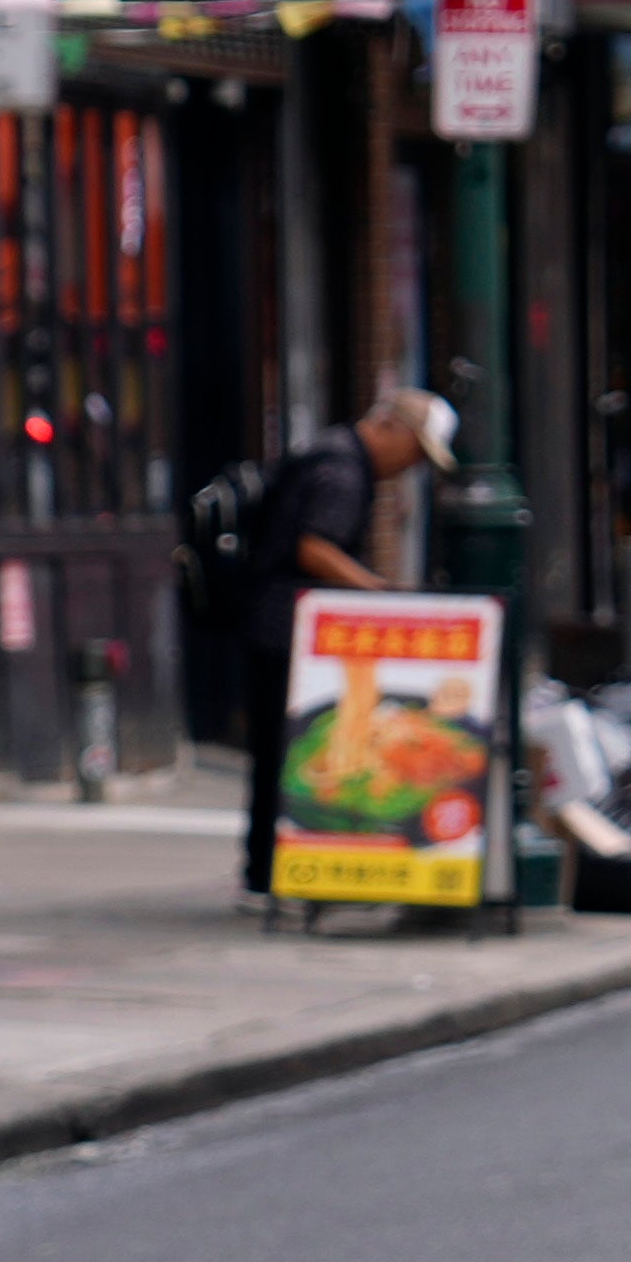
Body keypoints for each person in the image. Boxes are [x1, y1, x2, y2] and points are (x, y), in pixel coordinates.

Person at [240, 387, 445, 903]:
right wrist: (376, 592)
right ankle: (269, 873)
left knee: (278, 752)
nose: (411, 466)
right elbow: (314, 546)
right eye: (415, 452)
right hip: (285, 630)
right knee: (287, 752)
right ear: (391, 427)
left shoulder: (331, 455)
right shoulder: (343, 471)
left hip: (274, 623)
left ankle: (269, 870)